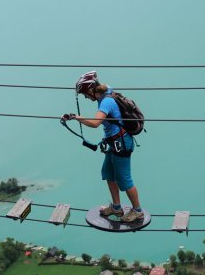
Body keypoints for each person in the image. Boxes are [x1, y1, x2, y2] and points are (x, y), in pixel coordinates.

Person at [62, 71, 144, 222]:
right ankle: (116, 207)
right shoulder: (107, 90)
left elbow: (95, 123)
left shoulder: (106, 101)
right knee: (108, 173)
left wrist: (77, 118)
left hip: (121, 144)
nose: (86, 97)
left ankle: (137, 210)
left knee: (124, 180)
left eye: (85, 93)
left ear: (92, 90)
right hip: (113, 142)